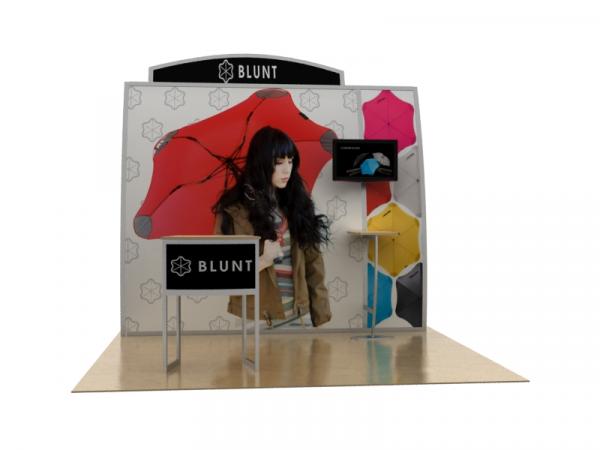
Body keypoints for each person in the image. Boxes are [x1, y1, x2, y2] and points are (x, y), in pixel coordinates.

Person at [213, 126, 332, 327]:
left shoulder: (298, 205)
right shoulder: (234, 211)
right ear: (261, 163)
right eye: (279, 162)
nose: (287, 169)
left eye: (290, 161)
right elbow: (221, 272)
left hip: (298, 315)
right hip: (256, 318)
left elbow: (314, 263)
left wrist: (319, 312)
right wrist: (263, 260)